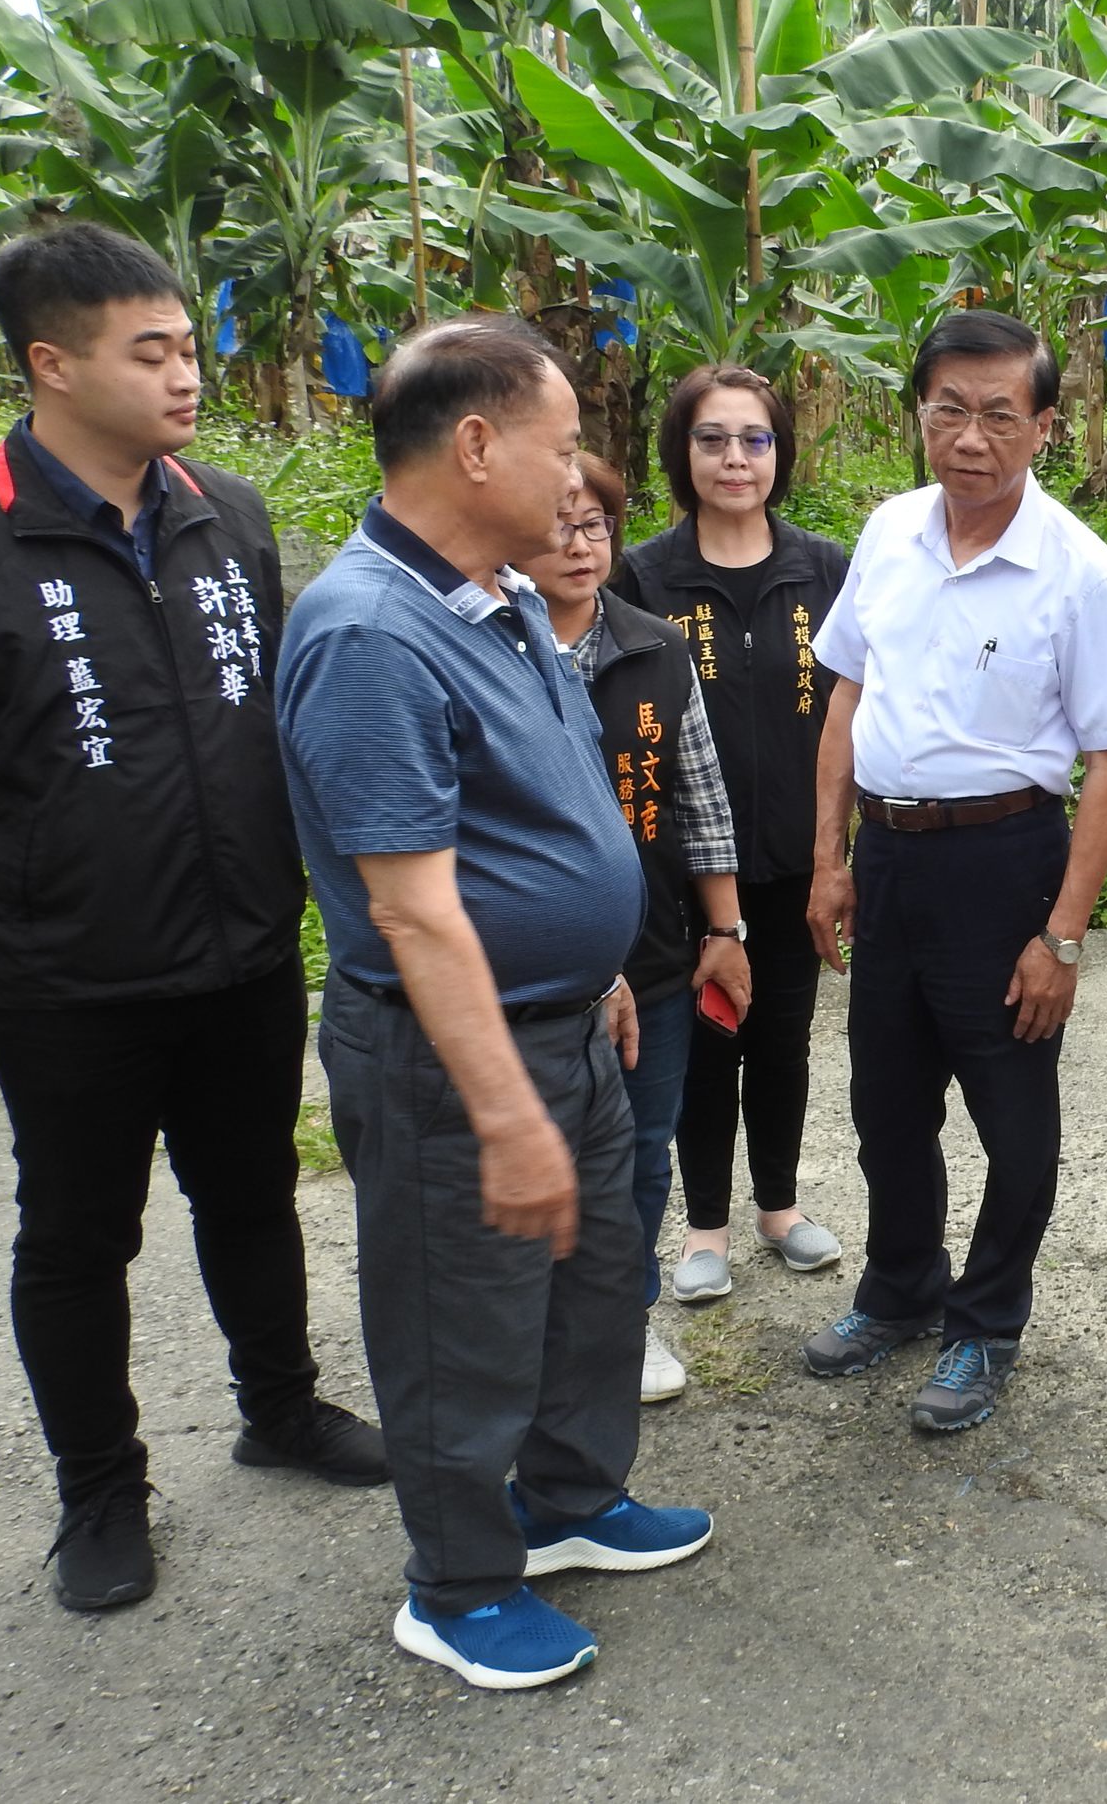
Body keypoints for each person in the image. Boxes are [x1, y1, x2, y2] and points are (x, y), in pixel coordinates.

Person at [278, 317, 711, 1691]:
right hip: (450, 1057)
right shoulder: (367, 632)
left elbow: (551, 814)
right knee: (458, 1323)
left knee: (592, 1290)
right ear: (475, 446)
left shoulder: (505, 596)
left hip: (573, 1022)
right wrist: (503, 1106)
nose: (579, 473)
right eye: (563, 440)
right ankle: (458, 1584)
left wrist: (595, 984)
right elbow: (411, 906)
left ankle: (570, 1504)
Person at [0, 222, 387, 1615]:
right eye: (148, 351)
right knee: (77, 1238)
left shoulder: (224, 508)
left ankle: (280, 1407)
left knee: (252, 1192)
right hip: (64, 979)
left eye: (187, 345)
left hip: (242, 947)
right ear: (52, 365)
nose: (186, 375)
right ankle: (101, 1490)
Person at [801, 310, 1107, 1433]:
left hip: (1005, 862)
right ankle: (900, 1290)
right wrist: (830, 858)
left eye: (999, 415)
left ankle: (986, 1323)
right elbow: (846, 695)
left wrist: (1060, 937)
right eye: (948, 409)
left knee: (1013, 1115)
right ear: (920, 413)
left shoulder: (1078, 572)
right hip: (893, 862)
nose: (969, 437)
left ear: (1043, 426)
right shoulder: (889, 531)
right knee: (884, 1104)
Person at [523, 452, 754, 1404]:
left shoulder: (655, 647)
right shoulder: (490, 642)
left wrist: (727, 927)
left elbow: (699, 796)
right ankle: (537, 1329)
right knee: (542, 1151)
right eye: (558, 526)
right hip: (537, 963)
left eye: (596, 528)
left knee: (642, 1145)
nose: (580, 547)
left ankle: (626, 1321)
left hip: (652, 953)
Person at [619, 367, 846, 1300]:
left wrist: (843, 850)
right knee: (705, 1044)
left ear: (780, 452)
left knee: (784, 1036)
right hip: (682, 874)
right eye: (712, 439)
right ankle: (704, 1226)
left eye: (754, 439)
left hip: (797, 862)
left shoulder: (825, 568)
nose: (735, 459)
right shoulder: (641, 576)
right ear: (683, 453)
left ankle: (779, 1208)